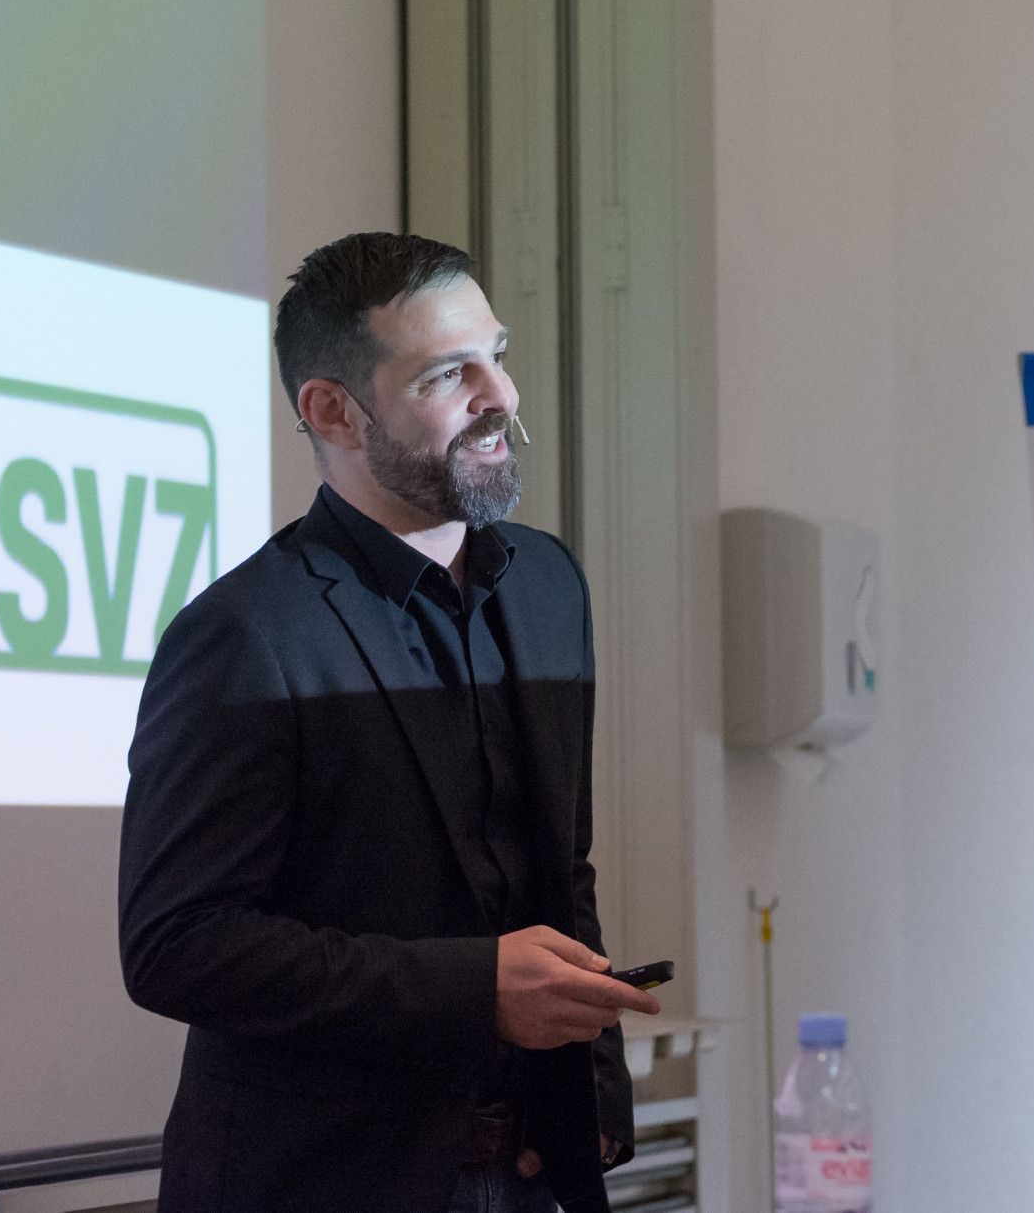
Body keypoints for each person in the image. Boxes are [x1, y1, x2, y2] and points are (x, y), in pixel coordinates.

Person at [118, 232, 658, 1213]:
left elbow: (559, 869)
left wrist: (594, 1094)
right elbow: (177, 944)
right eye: (449, 374)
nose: (501, 395)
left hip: (533, 1171)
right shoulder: (244, 634)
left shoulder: (548, 585)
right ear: (333, 410)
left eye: (497, 354)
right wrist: (474, 987)